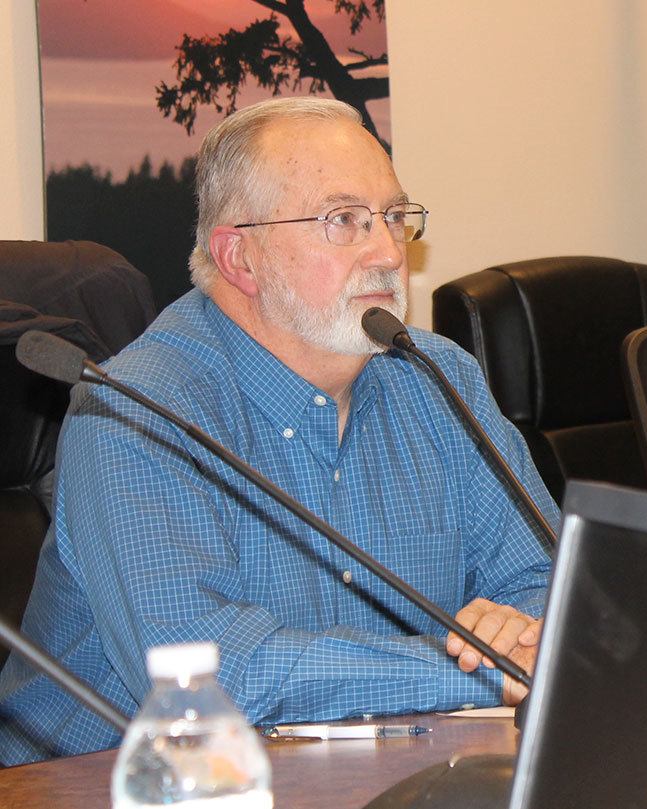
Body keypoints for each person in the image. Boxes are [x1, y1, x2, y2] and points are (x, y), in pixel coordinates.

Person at [0, 98, 556, 764]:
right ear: (241, 257)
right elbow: (212, 670)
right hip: (119, 787)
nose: (387, 251)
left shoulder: (441, 379)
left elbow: (544, 576)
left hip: (378, 775)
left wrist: (525, 630)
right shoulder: (135, 411)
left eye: (394, 216)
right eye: (344, 220)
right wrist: (469, 665)